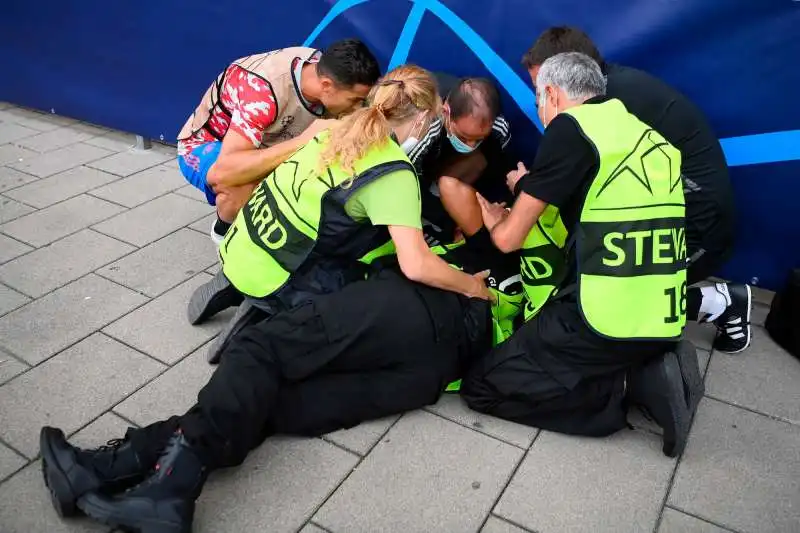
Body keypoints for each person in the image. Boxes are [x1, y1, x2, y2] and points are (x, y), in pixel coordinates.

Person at [38, 243, 517, 533]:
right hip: (437, 371)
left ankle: (163, 491)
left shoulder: (498, 227)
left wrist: (490, 226)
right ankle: (115, 469)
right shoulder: (562, 274)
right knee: (270, 405)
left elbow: (433, 244)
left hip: (425, 308)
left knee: (259, 347)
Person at [461, 52, 705, 458]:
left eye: (539, 99)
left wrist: (492, 220)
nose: (540, 110)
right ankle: (646, 361)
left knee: (482, 385)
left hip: (604, 321)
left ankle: (629, 386)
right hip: (661, 314)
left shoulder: (571, 130)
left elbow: (508, 240)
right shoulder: (644, 135)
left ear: (552, 94)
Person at [188, 65, 493, 361]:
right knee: (387, 294)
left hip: (244, 242)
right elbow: (417, 265)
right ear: (421, 118)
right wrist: (472, 286)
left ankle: (239, 281)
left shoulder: (333, 129)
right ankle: (263, 326)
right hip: (282, 276)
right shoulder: (393, 174)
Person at [520, 26, 751, 354]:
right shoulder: (611, 91)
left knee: (611, 298)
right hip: (685, 207)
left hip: (697, 222)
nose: (541, 101)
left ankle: (718, 302)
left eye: (544, 90)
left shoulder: (609, 104)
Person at [176, 39, 381, 243]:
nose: (358, 108)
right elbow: (223, 172)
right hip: (207, 145)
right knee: (240, 185)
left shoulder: (322, 70)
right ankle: (226, 236)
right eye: (354, 101)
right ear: (326, 85)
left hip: (266, 143)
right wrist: (303, 141)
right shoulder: (261, 90)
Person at [407, 75, 515, 249]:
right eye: (463, 137)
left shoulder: (499, 128)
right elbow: (408, 188)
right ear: (446, 112)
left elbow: (505, 171)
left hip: (459, 177)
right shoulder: (425, 127)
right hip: (420, 184)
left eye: (479, 139)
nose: (471, 145)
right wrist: (449, 222)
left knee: (478, 160)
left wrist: (501, 209)